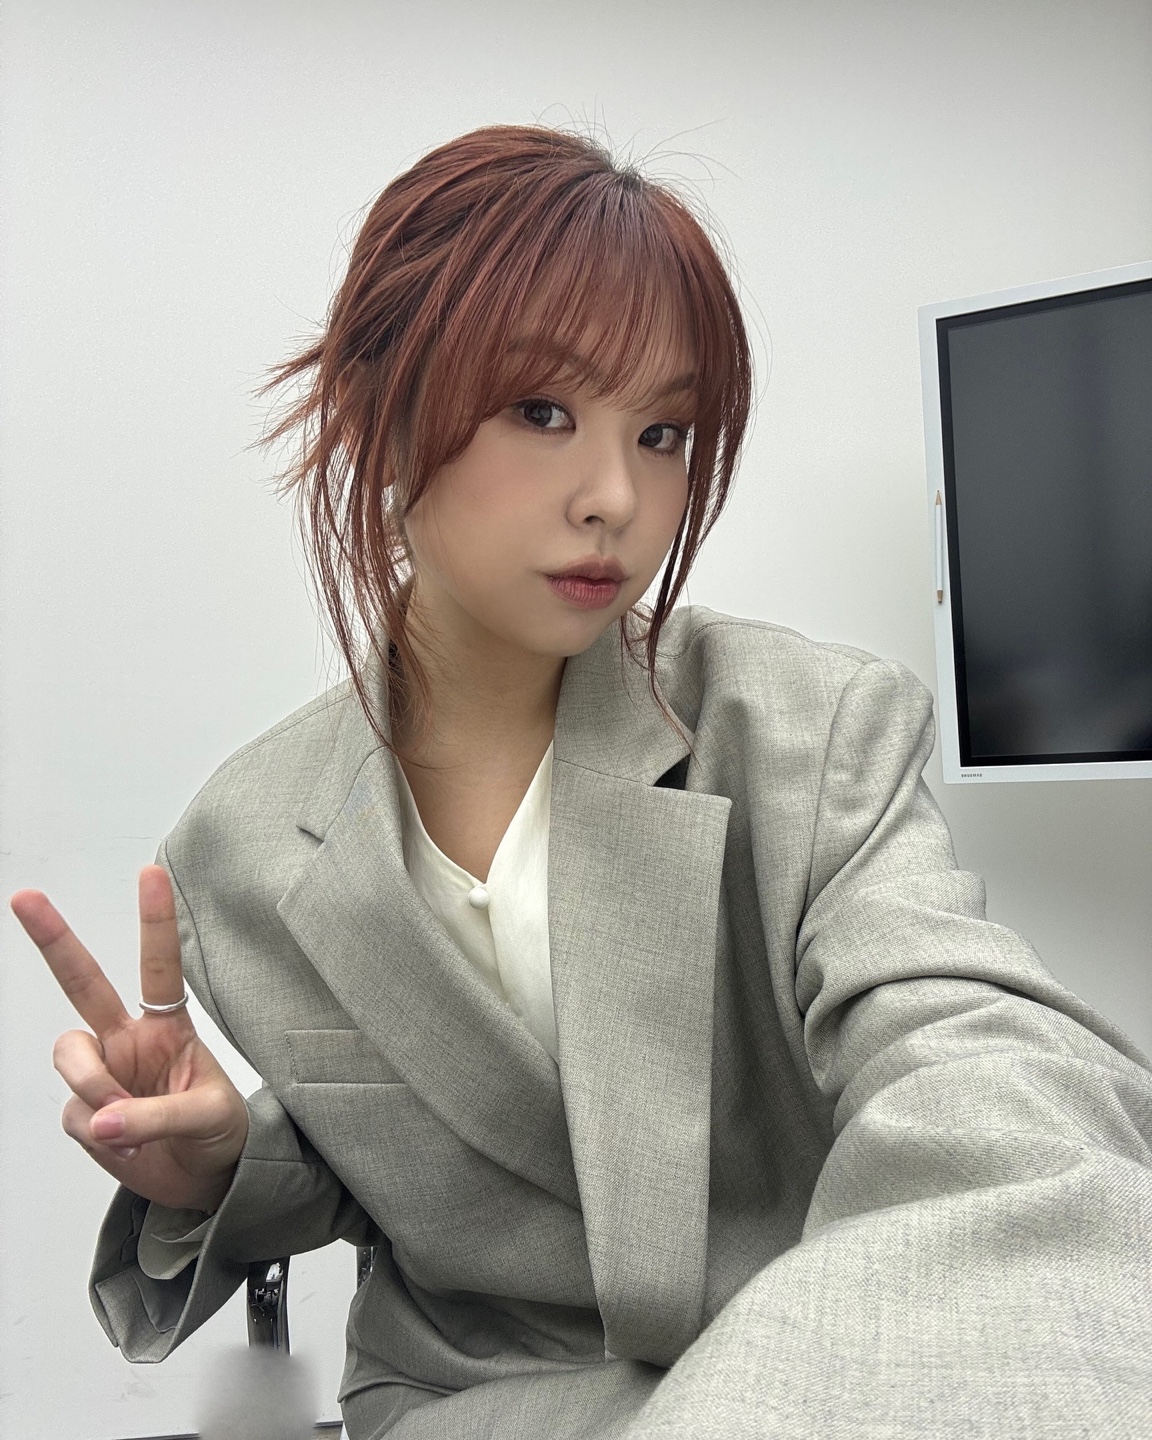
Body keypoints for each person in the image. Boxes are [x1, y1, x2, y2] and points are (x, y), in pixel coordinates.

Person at [10, 124, 1152, 1440]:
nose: (617, 495)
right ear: (381, 417)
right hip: (475, 1398)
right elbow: (406, 1152)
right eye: (543, 412)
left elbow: (978, 1048)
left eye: (663, 431)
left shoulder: (807, 727)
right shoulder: (242, 848)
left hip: (816, 1366)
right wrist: (219, 1168)